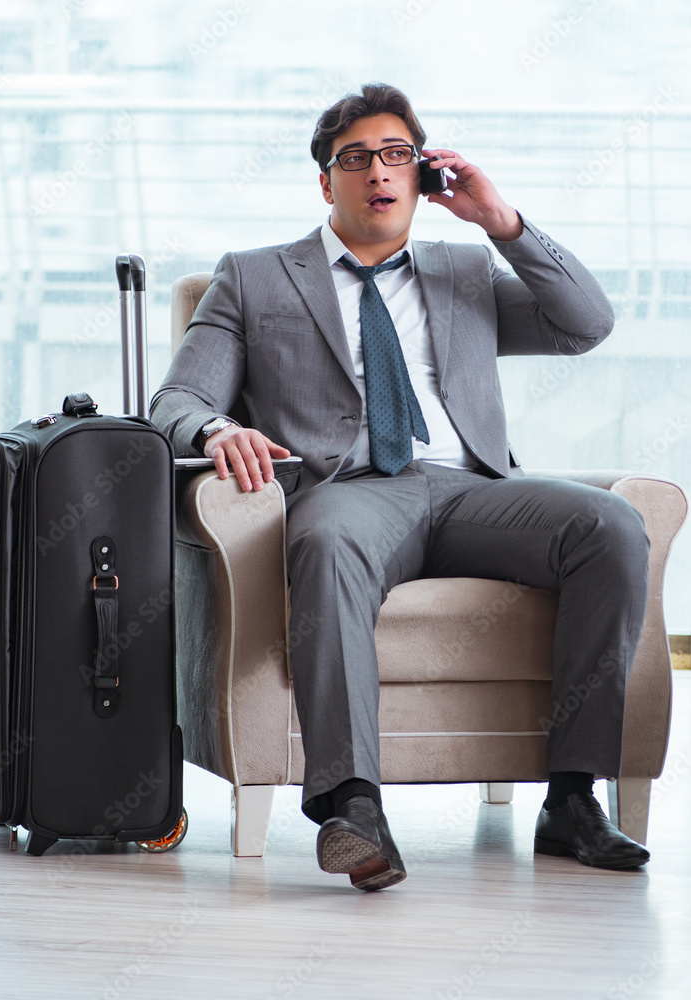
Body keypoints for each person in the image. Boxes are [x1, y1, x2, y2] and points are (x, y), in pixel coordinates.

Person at [150, 83, 651, 891]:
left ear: (420, 175)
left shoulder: (466, 271)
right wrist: (219, 429)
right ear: (326, 183)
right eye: (355, 159)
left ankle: (572, 801)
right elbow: (175, 399)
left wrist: (503, 223)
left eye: (395, 156)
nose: (377, 173)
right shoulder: (253, 278)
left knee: (612, 526)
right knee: (328, 537)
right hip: (350, 491)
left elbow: (584, 324)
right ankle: (354, 808)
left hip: (472, 488)